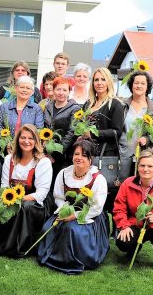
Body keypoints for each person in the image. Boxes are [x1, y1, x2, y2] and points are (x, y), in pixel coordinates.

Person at [0, 124, 53, 258]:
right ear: (18, 139)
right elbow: (5, 185)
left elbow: (41, 194)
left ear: (36, 141)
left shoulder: (43, 162)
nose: (26, 141)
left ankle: (16, 247)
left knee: (23, 207)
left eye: (31, 138)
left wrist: (17, 199)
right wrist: (7, 199)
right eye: (23, 137)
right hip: (12, 197)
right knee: (1, 204)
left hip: (35, 204)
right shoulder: (9, 159)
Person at [37, 138, 108, 274]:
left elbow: (96, 208)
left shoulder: (98, 179)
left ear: (91, 158)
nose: (79, 158)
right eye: (76, 154)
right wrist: (64, 210)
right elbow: (58, 197)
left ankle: (70, 260)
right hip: (66, 211)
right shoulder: (64, 173)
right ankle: (52, 256)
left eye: (84, 155)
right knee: (49, 227)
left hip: (88, 216)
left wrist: (74, 216)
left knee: (71, 230)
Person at [62, 68, 124, 220]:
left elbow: (117, 132)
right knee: (87, 191)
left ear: (109, 81)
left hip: (105, 154)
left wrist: (93, 134)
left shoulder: (115, 104)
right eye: (96, 80)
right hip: (87, 154)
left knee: (103, 194)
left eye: (103, 79)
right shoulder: (89, 104)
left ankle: (104, 229)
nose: (99, 83)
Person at [114, 149, 153, 274]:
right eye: (142, 165)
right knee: (122, 242)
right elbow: (119, 208)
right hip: (135, 224)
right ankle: (133, 249)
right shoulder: (127, 183)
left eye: (150, 166)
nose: (145, 169)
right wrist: (124, 226)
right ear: (138, 167)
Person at [119, 71, 153, 178]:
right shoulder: (122, 105)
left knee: (141, 185)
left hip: (144, 155)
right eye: (136, 83)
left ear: (147, 86)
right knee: (122, 185)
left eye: (142, 83)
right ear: (131, 85)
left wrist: (147, 139)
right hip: (123, 153)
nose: (139, 86)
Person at [43, 77, 79, 176]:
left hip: (64, 155)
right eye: (58, 89)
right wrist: (46, 149)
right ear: (53, 90)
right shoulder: (48, 107)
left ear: (69, 92)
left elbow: (72, 132)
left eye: (64, 90)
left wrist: (57, 152)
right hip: (46, 153)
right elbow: (44, 128)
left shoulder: (74, 109)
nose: (61, 93)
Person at [0, 76, 44, 142]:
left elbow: (38, 129)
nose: (24, 90)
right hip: (7, 147)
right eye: (22, 87)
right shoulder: (4, 107)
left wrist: (26, 143)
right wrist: (7, 144)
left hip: (27, 147)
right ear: (16, 88)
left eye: (28, 88)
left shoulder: (37, 109)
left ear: (32, 92)